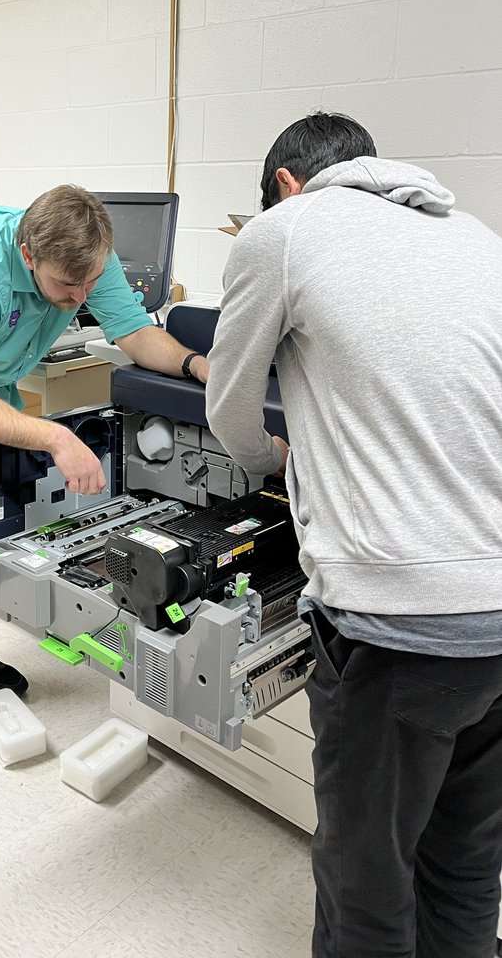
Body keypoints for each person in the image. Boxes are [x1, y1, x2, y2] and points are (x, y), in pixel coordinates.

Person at [204, 112, 502, 958]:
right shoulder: (474, 233)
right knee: (467, 859)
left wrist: (276, 457)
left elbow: (230, 414)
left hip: (398, 624)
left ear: (286, 186)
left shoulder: (284, 230)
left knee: (366, 879)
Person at [0, 185, 210, 760]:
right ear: (28, 255)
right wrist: (57, 437)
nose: (79, 298)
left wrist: (197, 364)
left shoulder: (83, 257)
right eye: (66, 287)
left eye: (89, 284)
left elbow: (133, 332)